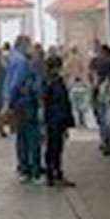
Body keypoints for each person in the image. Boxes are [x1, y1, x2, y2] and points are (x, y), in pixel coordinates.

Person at [4, 34, 43, 182]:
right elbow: (16, 82)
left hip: (18, 102)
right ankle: (33, 169)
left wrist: (7, 100)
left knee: (21, 136)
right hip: (25, 102)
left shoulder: (13, 59)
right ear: (24, 44)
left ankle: (24, 166)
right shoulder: (22, 61)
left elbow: (8, 82)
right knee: (31, 136)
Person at [42, 52, 76, 186]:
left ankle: (53, 173)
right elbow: (61, 103)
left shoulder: (50, 82)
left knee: (54, 147)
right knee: (54, 147)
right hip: (55, 120)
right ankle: (54, 173)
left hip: (54, 119)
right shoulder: (54, 83)